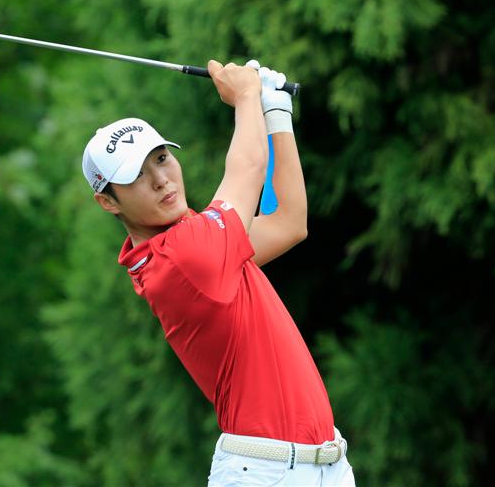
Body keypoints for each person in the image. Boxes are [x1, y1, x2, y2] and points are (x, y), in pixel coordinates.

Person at [81, 59, 355, 486]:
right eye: (135, 175)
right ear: (109, 202)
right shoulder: (183, 257)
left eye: (162, 158)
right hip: (265, 473)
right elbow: (245, 172)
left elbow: (288, 220)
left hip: (326, 465)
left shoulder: (198, 241)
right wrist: (246, 97)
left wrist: (275, 111)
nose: (161, 179)